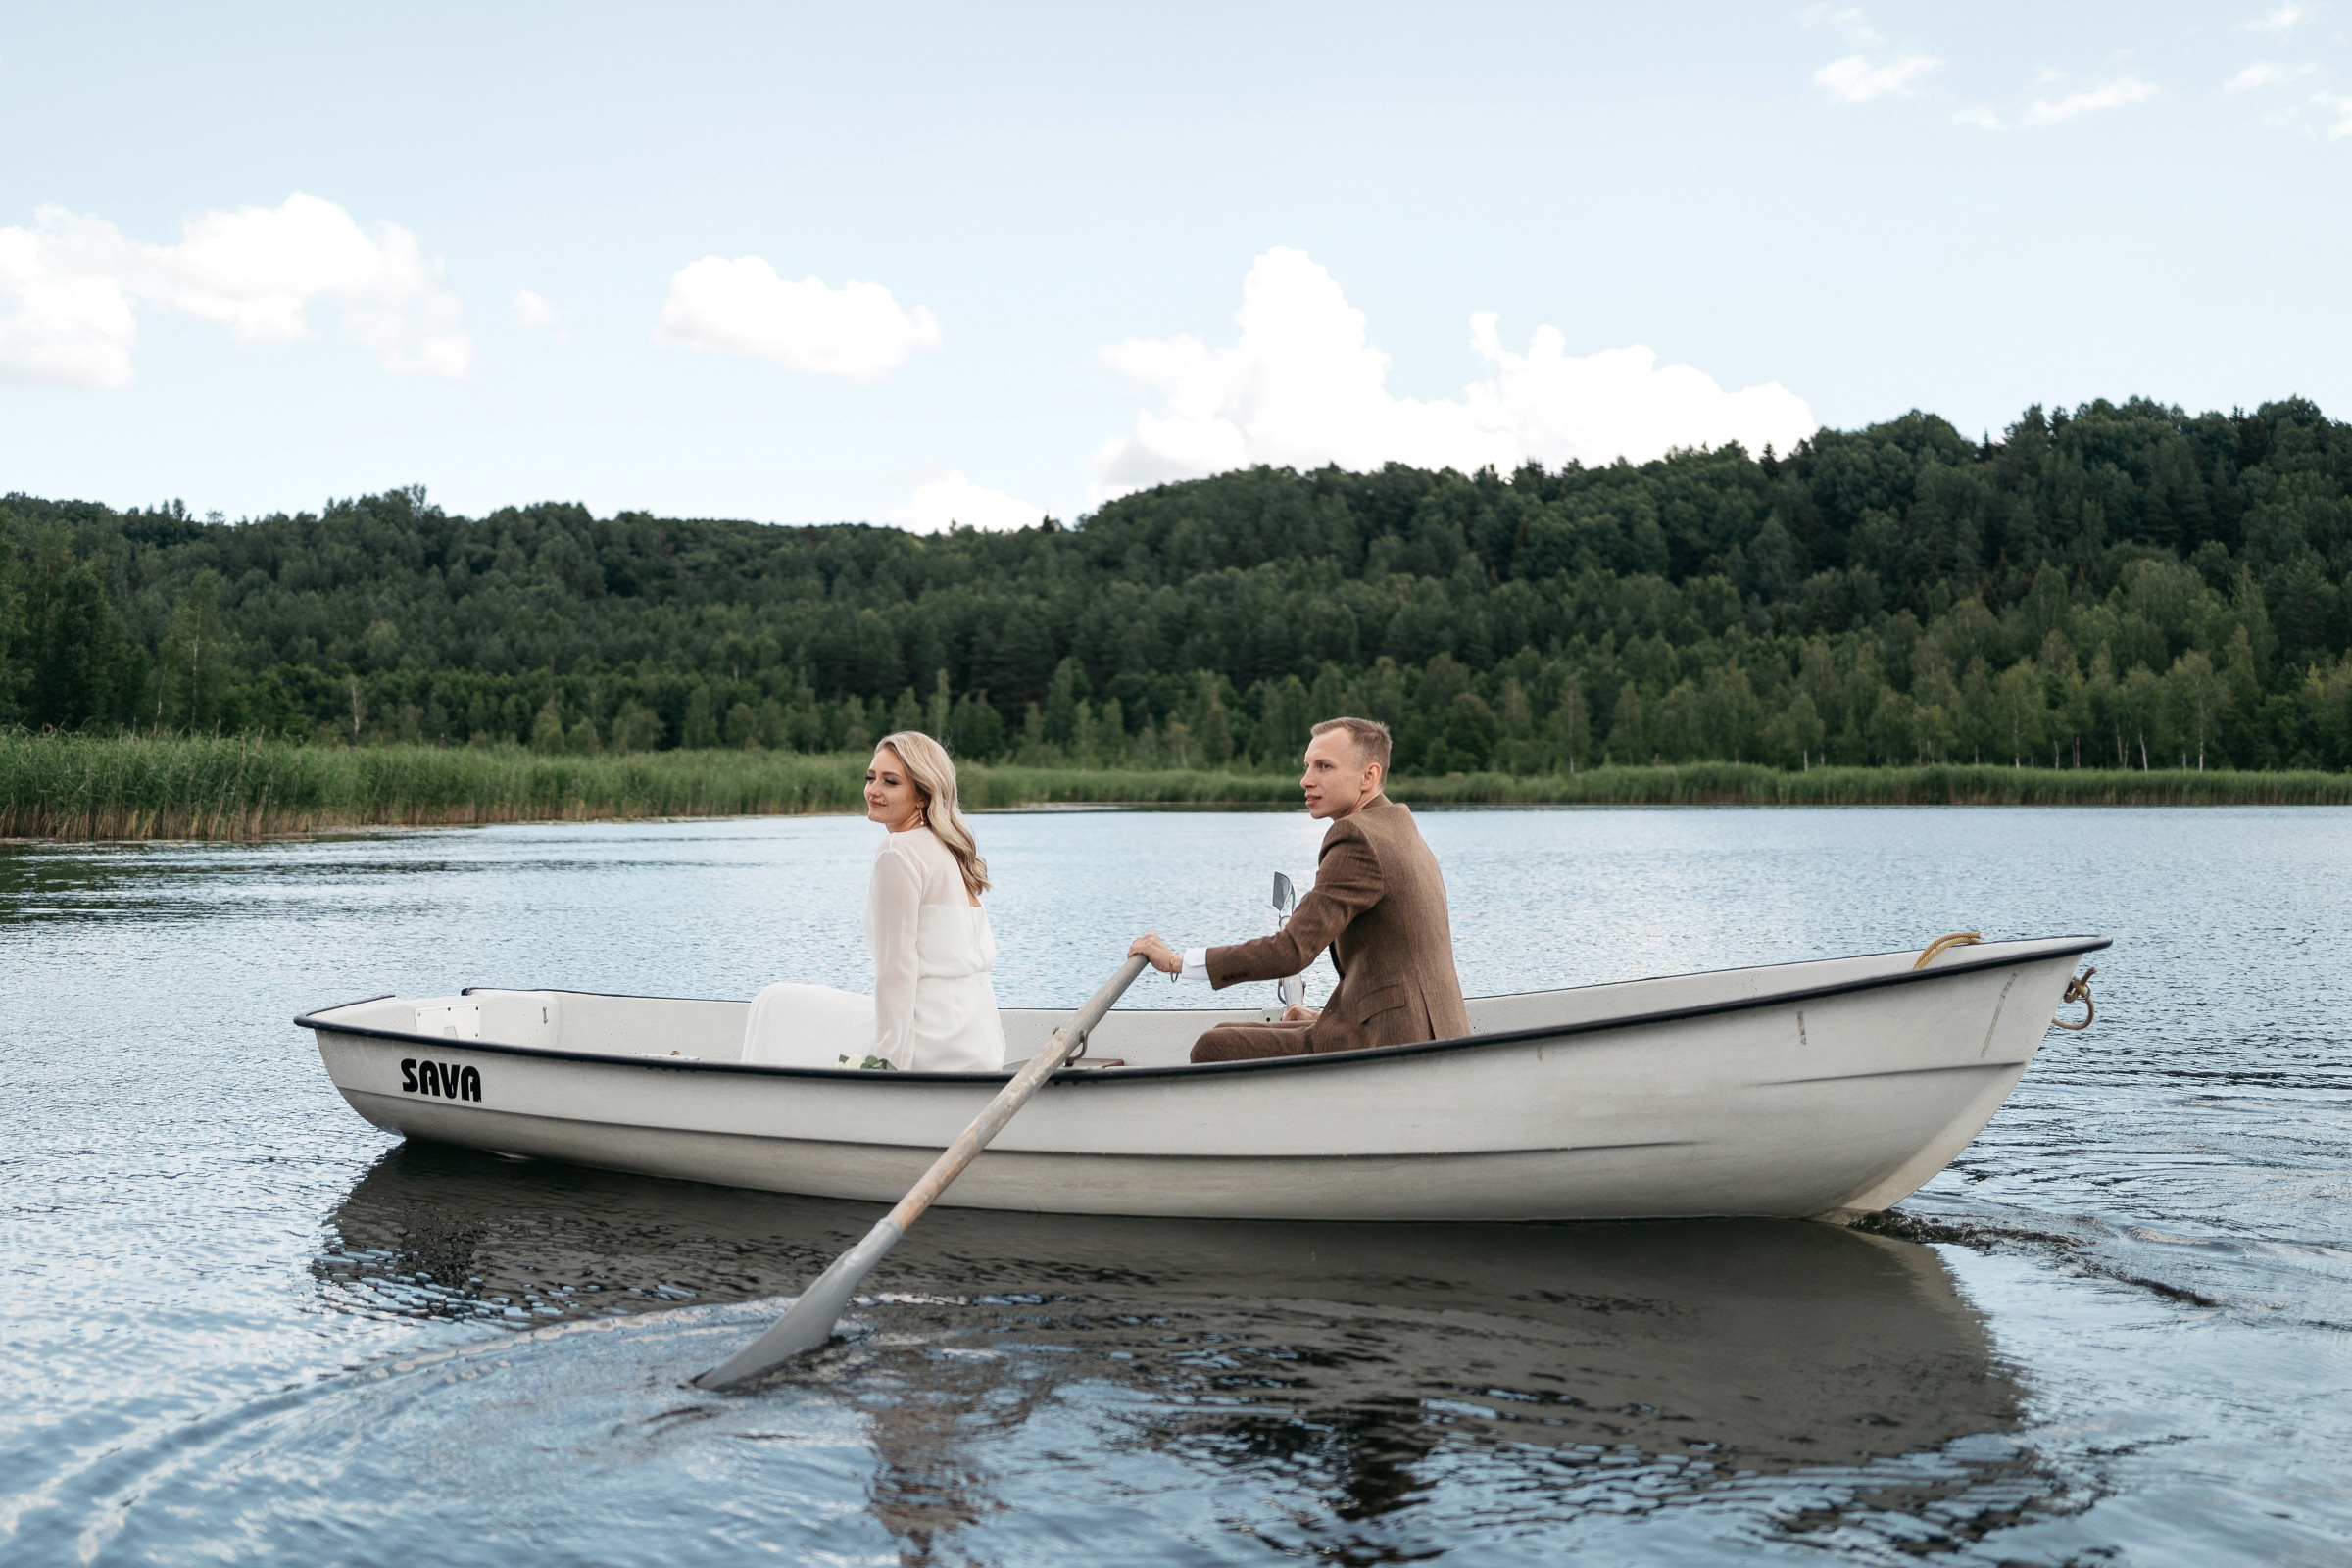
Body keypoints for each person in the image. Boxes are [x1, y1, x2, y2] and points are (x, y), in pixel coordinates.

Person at [1129, 716, 1469, 1062]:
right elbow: (1392, 960)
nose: (1306, 780)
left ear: (1369, 776)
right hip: (1432, 1028)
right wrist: (1330, 1017)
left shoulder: (1357, 838)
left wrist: (1176, 962)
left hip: (1395, 1039)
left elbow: (1290, 951)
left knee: (1212, 1047)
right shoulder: (1398, 826)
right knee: (1223, 1034)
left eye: (1324, 767)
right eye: (1308, 766)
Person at [741, 731, 1006, 1072]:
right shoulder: (949, 850)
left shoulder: (899, 851)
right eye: (871, 778)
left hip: (929, 1043)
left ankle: (758, 1107)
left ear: (923, 794)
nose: (873, 790)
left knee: (773, 1001)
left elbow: (898, 968)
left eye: (890, 781)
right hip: (977, 1043)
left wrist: (889, 1063)